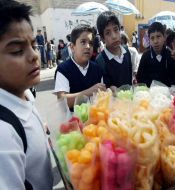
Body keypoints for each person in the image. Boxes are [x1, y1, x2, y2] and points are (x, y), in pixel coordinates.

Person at [0, 0, 53, 189]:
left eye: (33, 45)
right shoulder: (4, 135)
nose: (34, 56)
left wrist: (42, 128)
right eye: (17, 50)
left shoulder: (24, 92)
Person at [54, 25, 105, 110]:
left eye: (91, 43)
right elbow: (62, 101)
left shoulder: (97, 69)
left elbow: (103, 95)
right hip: (72, 121)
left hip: (96, 120)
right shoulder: (63, 70)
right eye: (83, 42)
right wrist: (89, 92)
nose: (88, 46)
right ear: (72, 47)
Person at [96, 11, 133, 91]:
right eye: (108, 33)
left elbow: (129, 77)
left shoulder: (126, 51)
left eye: (116, 30)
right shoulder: (100, 60)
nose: (114, 36)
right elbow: (105, 88)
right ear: (102, 38)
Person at [136, 22, 175, 87]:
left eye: (158, 36)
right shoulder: (145, 56)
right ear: (149, 40)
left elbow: (174, 79)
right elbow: (140, 78)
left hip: (166, 93)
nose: (155, 41)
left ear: (164, 37)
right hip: (149, 94)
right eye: (152, 38)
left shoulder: (170, 55)